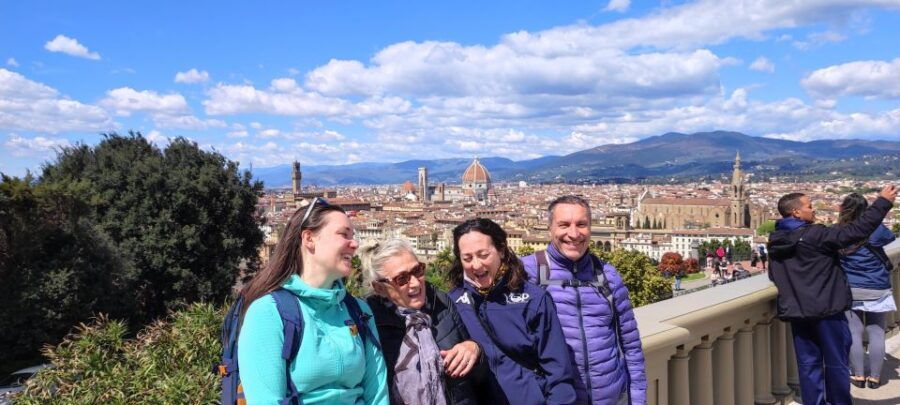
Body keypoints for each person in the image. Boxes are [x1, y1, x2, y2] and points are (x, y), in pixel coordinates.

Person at [237, 198, 388, 404]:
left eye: (353, 236)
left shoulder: (359, 311)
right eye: (344, 234)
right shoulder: (268, 313)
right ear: (309, 239)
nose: (354, 244)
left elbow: (377, 395)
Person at [767, 185, 896, 405]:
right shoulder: (815, 235)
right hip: (826, 309)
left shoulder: (776, 240)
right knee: (836, 363)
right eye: (809, 206)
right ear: (796, 212)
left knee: (808, 364)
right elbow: (856, 231)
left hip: (797, 311)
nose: (813, 210)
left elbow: (774, 275)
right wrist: (882, 202)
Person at [522, 195, 647, 404]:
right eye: (564, 225)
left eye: (581, 224)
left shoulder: (608, 275)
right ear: (549, 228)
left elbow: (631, 346)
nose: (574, 233)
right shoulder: (527, 272)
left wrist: (638, 400)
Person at [447, 218, 578, 404]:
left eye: (483, 255)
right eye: (467, 258)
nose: (476, 265)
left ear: (501, 250)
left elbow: (558, 373)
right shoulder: (453, 304)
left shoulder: (533, 299)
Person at [359, 238, 484, 404]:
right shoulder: (367, 320)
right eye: (401, 279)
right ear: (380, 288)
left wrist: (474, 350)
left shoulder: (442, 304)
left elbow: (478, 377)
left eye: (417, 271)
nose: (416, 283)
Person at [837, 193, 897, 389]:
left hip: (851, 289)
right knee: (877, 333)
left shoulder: (841, 230)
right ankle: (875, 377)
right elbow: (889, 238)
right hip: (877, 288)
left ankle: (858, 375)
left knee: (854, 332)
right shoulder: (875, 229)